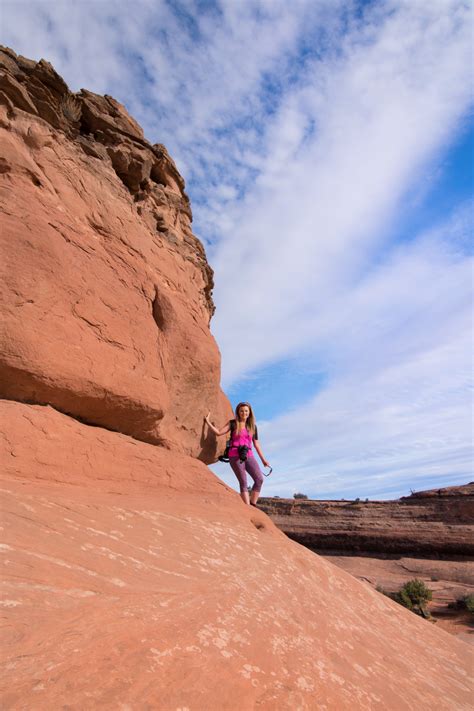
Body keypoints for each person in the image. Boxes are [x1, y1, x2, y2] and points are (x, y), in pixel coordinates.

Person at [205, 402, 270, 506]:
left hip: (249, 455)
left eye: (246, 411)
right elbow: (218, 432)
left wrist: (263, 460)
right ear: (238, 412)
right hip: (235, 455)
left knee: (259, 479)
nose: (244, 413)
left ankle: (253, 505)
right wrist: (208, 422)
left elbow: (256, 444)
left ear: (249, 413)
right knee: (243, 482)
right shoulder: (233, 423)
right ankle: (247, 507)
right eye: (241, 411)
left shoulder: (253, 427)